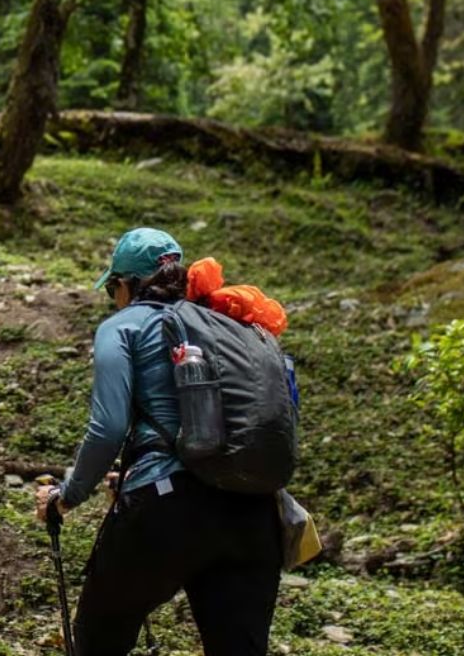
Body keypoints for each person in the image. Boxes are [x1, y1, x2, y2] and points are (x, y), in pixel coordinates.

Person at [33, 228, 283, 656]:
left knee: (97, 639)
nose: (114, 299)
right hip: (254, 511)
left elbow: (107, 428)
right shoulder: (224, 325)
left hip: (167, 506)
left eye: (112, 288)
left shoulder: (123, 326)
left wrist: (67, 497)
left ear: (126, 284)